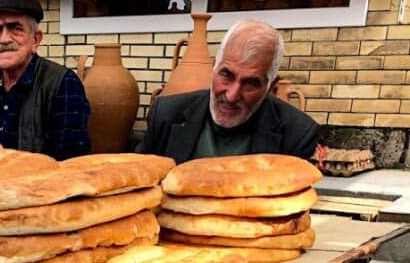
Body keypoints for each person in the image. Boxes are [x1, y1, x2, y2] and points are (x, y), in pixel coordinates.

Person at [136, 19, 319, 164]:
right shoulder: (167, 114)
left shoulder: (296, 134)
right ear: (214, 67)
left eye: (250, 84)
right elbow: (139, 183)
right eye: (227, 75)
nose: (232, 96)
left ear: (271, 87)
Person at [0, 0, 91, 160]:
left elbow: (72, 165)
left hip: (42, 185)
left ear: (36, 39)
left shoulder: (62, 85)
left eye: (15, 28)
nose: (4, 39)